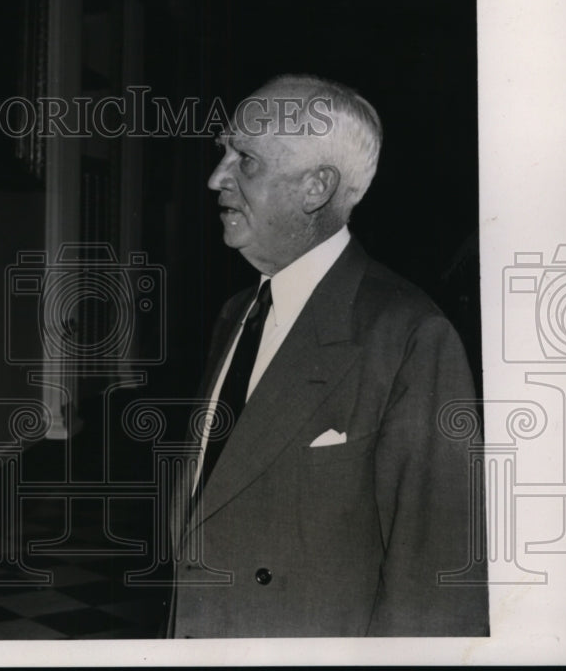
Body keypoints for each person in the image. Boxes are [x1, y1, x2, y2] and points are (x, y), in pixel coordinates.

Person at [168, 74, 488, 637]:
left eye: (245, 160)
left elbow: (437, 588)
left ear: (316, 187)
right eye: (223, 151)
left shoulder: (409, 337)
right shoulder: (235, 313)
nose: (216, 177)